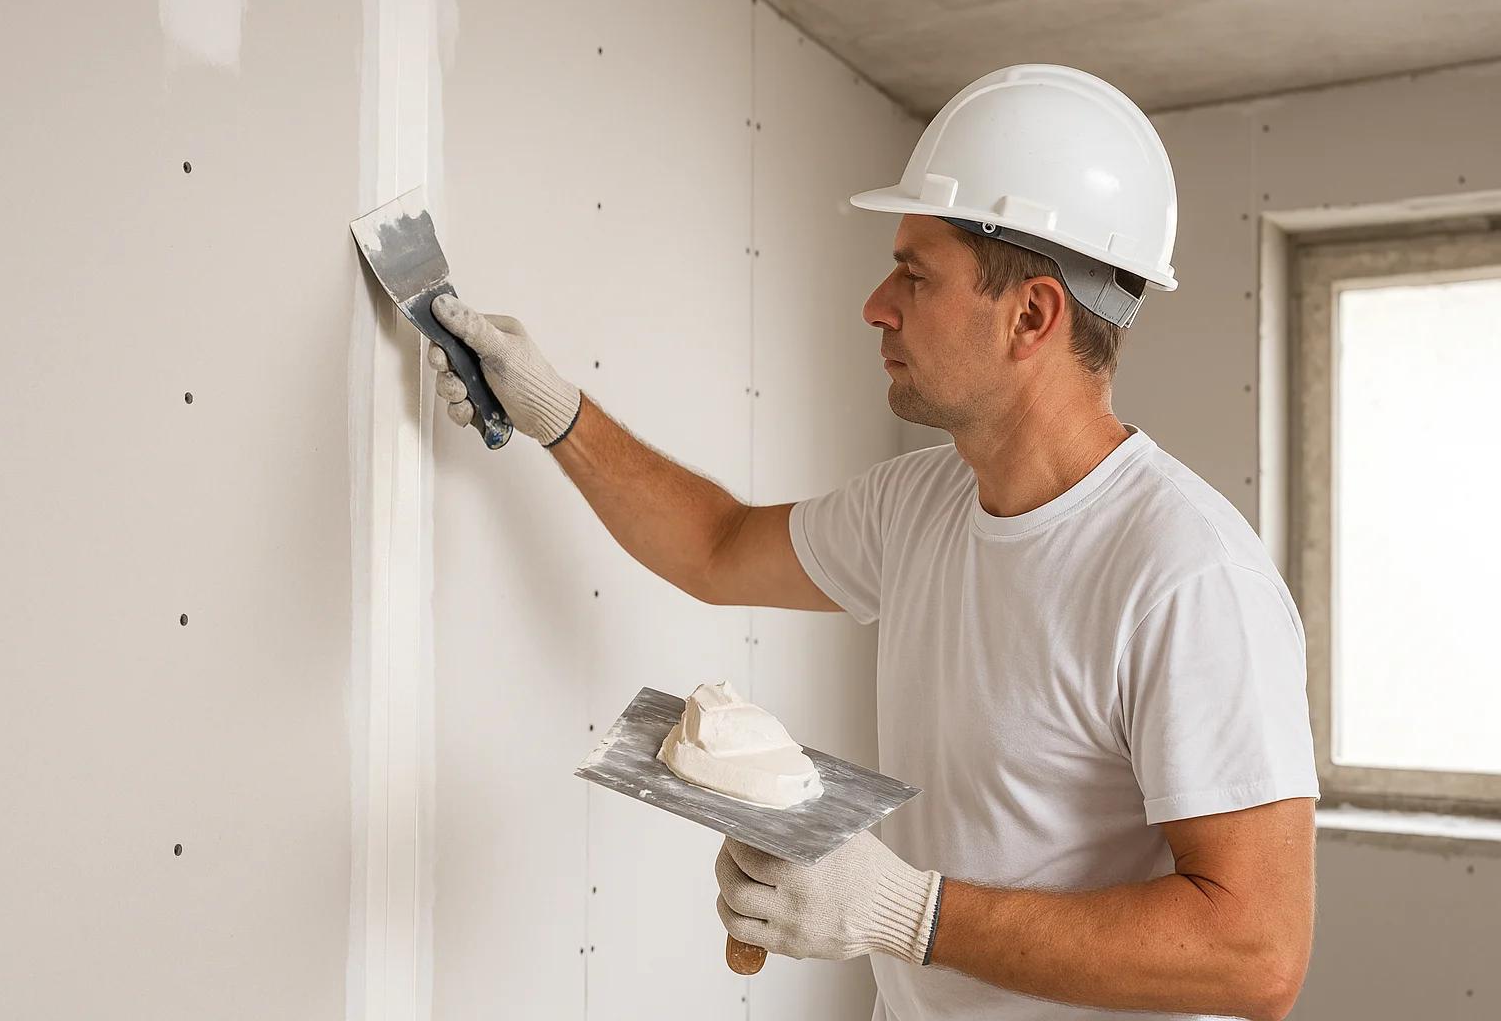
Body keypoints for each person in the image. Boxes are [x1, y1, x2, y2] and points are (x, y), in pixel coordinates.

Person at [427, 64, 1318, 1021]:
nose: (876, 304)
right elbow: (718, 547)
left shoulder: (1185, 576)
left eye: (916, 274)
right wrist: (554, 411)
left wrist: (903, 912)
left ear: (1033, 316)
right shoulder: (920, 504)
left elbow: (1255, 954)